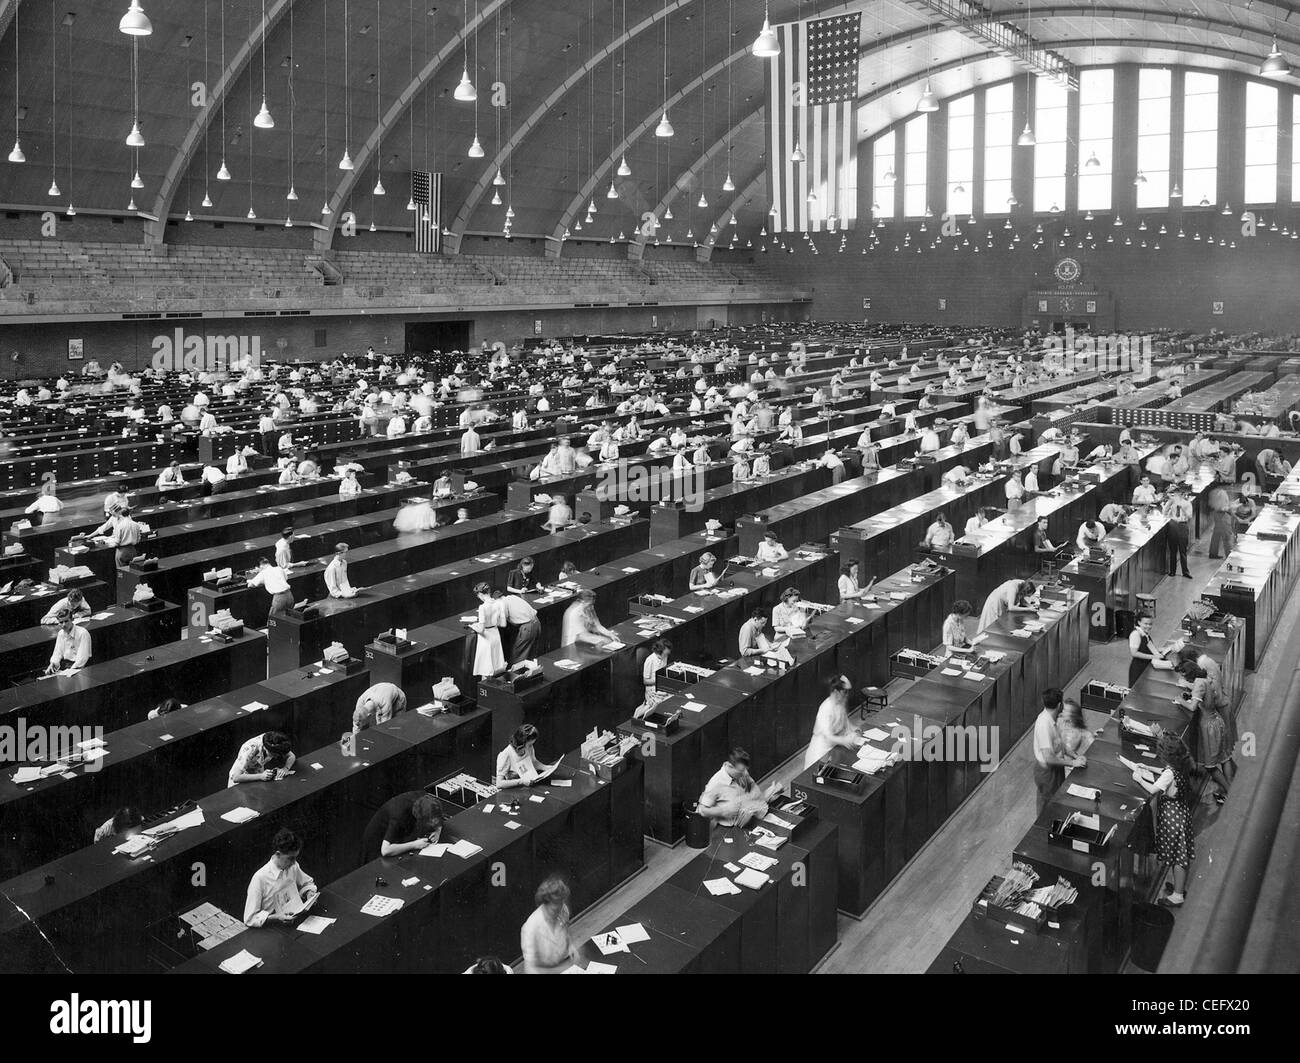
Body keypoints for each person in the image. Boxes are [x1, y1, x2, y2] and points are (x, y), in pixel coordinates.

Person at [1131, 732, 1196, 906]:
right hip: (1181, 813)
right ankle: (1178, 887)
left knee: (1178, 857)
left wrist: (1138, 778)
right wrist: (1148, 767)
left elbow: (1153, 790)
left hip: (1172, 816)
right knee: (1179, 854)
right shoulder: (1181, 765)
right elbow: (1165, 772)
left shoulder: (1169, 773)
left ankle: (1178, 895)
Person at [1175, 660, 1236, 803]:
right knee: (1224, 758)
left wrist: (1180, 700)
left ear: (1189, 674)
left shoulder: (1198, 684)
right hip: (1217, 721)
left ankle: (1229, 791)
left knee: (1210, 766)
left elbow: (1192, 707)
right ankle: (1229, 788)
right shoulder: (1205, 678)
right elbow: (1200, 690)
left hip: (1208, 727)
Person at [242, 828, 318, 928]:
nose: (294, 862)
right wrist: (276, 917)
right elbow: (249, 918)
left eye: (295, 858)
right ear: (278, 854)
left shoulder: (293, 867)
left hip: (293, 919)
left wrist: (309, 893)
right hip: (271, 927)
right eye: (290, 858)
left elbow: (307, 883)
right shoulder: (260, 878)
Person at [696, 748, 781, 829]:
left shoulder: (742, 771)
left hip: (747, 816)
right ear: (729, 766)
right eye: (741, 771)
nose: (744, 773)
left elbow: (751, 784)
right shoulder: (715, 783)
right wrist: (722, 811)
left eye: (745, 770)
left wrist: (755, 792)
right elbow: (702, 810)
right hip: (727, 826)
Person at [1032, 688, 1084, 815]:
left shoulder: (1052, 719)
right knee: (1048, 807)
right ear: (1060, 705)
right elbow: (1049, 758)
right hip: (1048, 772)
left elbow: (1058, 743)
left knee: (1057, 800)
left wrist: (1074, 755)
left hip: (1056, 768)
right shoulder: (1044, 724)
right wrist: (1072, 764)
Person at [361, 791, 446, 859]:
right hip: (377, 840)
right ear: (421, 818)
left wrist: (438, 830)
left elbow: (438, 817)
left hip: (399, 831)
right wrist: (415, 844)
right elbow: (385, 850)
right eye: (431, 823)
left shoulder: (428, 800)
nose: (433, 824)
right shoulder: (399, 816)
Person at [520, 876, 577, 974]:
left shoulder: (562, 909)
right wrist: (560, 969)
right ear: (544, 903)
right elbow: (530, 969)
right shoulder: (530, 928)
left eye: (562, 903)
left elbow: (566, 930)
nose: (560, 910)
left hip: (563, 963)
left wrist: (571, 946)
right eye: (555, 909)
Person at [803, 676, 861, 769]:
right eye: (844, 692)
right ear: (835, 691)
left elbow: (845, 723)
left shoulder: (841, 703)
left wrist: (854, 730)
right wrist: (844, 740)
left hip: (834, 749)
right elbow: (828, 736)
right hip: (820, 752)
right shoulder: (826, 708)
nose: (847, 695)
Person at [495, 724, 553, 788]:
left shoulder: (528, 747)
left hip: (529, 784)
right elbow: (499, 783)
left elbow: (533, 762)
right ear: (521, 743)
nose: (531, 747)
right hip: (514, 788)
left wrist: (546, 767)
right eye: (530, 745)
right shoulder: (506, 755)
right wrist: (521, 781)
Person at [228, 731, 295, 786]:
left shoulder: (275, 741)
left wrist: (285, 769)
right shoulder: (250, 749)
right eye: (274, 754)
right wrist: (260, 776)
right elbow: (236, 777)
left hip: (258, 777)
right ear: (266, 748)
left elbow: (291, 756)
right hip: (240, 781)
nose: (276, 757)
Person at [470, 582, 507, 677]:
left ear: (481, 594)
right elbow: (503, 624)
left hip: (486, 638)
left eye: (478, 596)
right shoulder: (499, 603)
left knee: (485, 668)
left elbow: (481, 630)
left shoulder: (482, 607)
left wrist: (474, 626)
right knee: (495, 666)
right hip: (495, 635)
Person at [1128, 614, 1174, 686]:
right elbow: (1134, 653)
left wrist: (1163, 649)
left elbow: (1147, 648)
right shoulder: (1136, 634)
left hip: (1145, 665)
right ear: (1139, 622)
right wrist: (1154, 657)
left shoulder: (1144, 633)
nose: (1148, 626)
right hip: (1138, 668)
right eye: (1145, 624)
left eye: (1150, 624)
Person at [500, 588, 541, 663]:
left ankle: (517, 674)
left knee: (517, 657)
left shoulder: (502, 603)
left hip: (528, 627)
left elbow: (503, 622)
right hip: (536, 623)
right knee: (530, 656)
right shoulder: (512, 597)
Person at [1163, 487, 1193, 578]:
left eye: (1179, 494)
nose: (1177, 495)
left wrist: (1182, 509)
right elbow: (1164, 512)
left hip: (1183, 525)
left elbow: (1190, 516)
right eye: (1176, 494)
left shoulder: (1187, 504)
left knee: (1183, 550)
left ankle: (1185, 572)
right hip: (1173, 525)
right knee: (1173, 550)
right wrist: (1169, 504)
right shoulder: (1172, 502)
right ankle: (1172, 571)